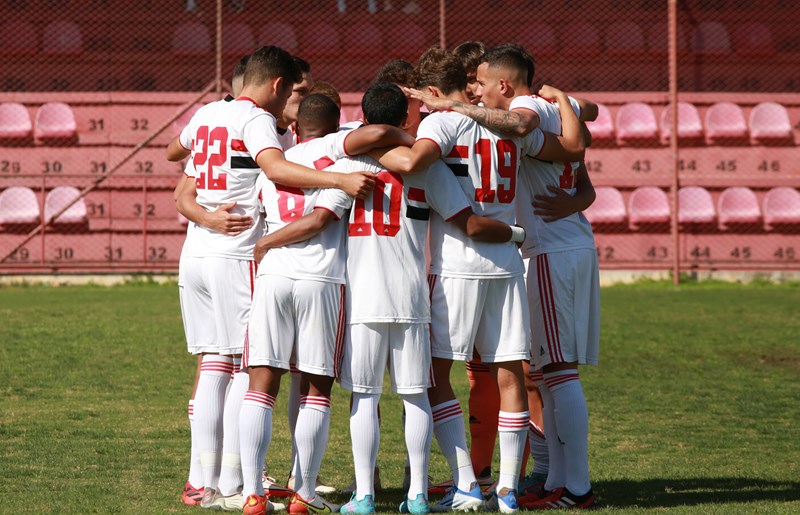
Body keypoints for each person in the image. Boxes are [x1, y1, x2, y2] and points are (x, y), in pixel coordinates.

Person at [371, 47, 584, 513]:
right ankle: (506, 490)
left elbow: (412, 162)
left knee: (435, 376)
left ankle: (467, 483)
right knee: (509, 374)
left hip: (457, 266)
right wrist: (568, 105)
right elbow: (569, 148)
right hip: (507, 264)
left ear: (430, 92)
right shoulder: (506, 124)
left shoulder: (440, 123)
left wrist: (368, 142)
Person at [166, 45, 374, 514]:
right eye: (294, 92)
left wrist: (205, 215)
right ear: (278, 86)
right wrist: (340, 182)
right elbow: (277, 169)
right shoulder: (261, 122)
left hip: (197, 249)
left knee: (214, 364)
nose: (293, 105)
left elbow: (177, 162)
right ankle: (240, 481)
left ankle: (203, 480)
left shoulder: (207, 115)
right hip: (241, 252)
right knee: (247, 367)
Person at [247, 92, 414, 515]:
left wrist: (265, 242)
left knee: (261, 386)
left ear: (296, 126)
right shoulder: (337, 156)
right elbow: (322, 218)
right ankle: (303, 493)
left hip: (272, 276)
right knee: (315, 391)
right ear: (340, 124)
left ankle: (254, 492)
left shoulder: (272, 166)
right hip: (321, 278)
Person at [476, 45, 599, 510]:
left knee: (557, 370)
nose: (479, 93)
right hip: (567, 244)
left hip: (549, 250)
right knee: (547, 370)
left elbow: (555, 140)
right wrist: (568, 102)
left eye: (485, 85)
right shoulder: (555, 107)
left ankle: (577, 488)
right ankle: (557, 483)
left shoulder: (526, 109)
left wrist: (451, 107)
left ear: (505, 85)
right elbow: (579, 153)